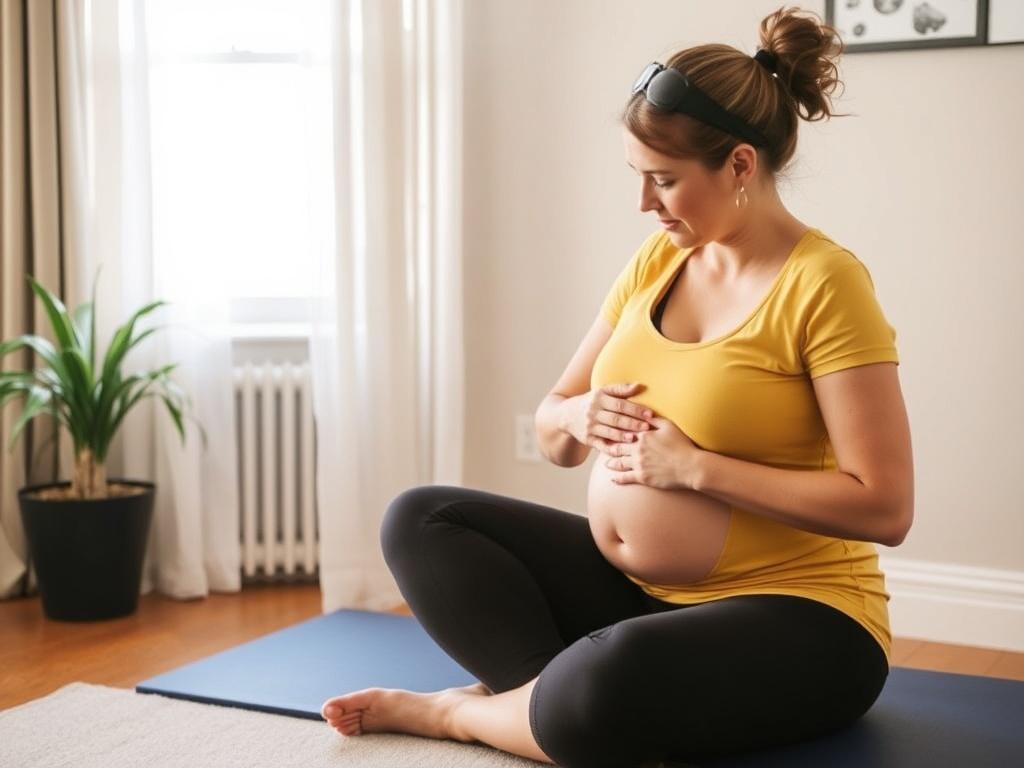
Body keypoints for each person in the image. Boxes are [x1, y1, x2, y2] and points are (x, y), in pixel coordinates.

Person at [319, 5, 914, 767]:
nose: (645, 204)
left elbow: (885, 506)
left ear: (739, 165)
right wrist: (578, 412)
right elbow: (553, 430)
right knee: (422, 519)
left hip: (805, 617)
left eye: (664, 181)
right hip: (638, 596)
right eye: (639, 178)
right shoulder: (657, 262)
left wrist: (695, 468)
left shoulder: (825, 284)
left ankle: (465, 716)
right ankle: (546, 708)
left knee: (612, 672)